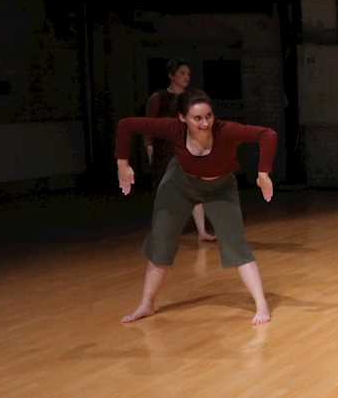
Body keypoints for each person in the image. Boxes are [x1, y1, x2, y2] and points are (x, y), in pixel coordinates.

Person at [115, 90, 278, 326]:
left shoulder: (226, 131)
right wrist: (122, 164)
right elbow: (126, 125)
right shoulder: (174, 129)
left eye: (209, 116)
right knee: (161, 240)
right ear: (182, 118)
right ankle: (147, 304)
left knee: (236, 243)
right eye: (197, 118)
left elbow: (268, 135)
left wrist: (263, 174)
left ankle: (261, 304)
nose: (205, 123)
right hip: (179, 184)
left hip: (220, 188)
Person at [144, 58, 214, 243]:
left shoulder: (191, 99)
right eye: (182, 73)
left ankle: (201, 231)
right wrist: (149, 145)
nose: (186, 77)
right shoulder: (158, 98)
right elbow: (150, 124)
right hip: (165, 150)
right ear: (171, 75)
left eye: (188, 74)